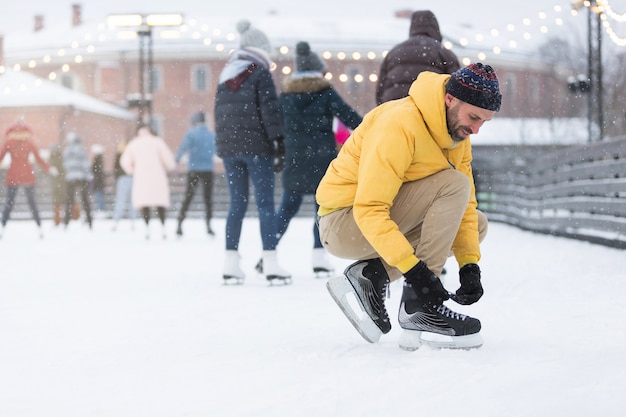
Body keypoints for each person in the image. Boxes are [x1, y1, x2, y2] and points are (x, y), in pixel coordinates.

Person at [317, 63, 502, 350]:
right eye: (474, 117)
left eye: (484, 122)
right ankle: (420, 307)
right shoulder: (399, 124)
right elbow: (370, 209)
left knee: (475, 223)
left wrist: (469, 266)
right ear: (450, 99)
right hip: (343, 222)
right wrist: (417, 276)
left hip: (376, 219)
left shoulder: (457, 134)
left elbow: (464, 207)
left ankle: (372, 275)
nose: (476, 129)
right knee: (453, 184)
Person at [214, 19, 290, 284]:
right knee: (265, 205)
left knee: (237, 204)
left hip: (230, 151)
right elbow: (270, 112)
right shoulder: (260, 73)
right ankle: (270, 262)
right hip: (258, 149)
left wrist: (223, 147)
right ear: (260, 48)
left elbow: (220, 116)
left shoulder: (225, 76)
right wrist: (279, 143)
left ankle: (230, 263)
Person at [277, 41, 362, 276]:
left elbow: (276, 125)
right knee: (322, 209)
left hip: (294, 158)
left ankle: (269, 251)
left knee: (287, 208)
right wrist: (370, 129)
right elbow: (350, 116)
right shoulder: (325, 92)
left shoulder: (285, 96)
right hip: (321, 159)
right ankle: (319, 256)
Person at [375, 10, 460, 106]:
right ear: (436, 28)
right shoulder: (445, 53)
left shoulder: (394, 52)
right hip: (428, 110)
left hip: (393, 110)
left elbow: (380, 90)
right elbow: (456, 91)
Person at [120, 124, 176, 239]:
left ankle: (147, 229)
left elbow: (124, 161)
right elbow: (169, 160)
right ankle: (163, 228)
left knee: (144, 204)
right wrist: (169, 167)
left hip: (141, 177)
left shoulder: (134, 144)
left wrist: (132, 170)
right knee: (160, 203)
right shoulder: (157, 142)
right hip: (158, 176)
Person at [0, 121, 51, 238]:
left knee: (9, 203)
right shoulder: (29, 143)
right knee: (32, 203)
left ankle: (2, 227)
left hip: (13, 175)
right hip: (27, 175)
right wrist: (48, 168)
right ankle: (39, 227)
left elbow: (0, 156)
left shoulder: (9, 142)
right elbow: (38, 158)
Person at [174, 111, 217, 237]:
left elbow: (183, 148)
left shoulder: (191, 134)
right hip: (208, 169)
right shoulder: (211, 135)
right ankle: (209, 226)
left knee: (188, 197)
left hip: (193, 169)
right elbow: (216, 149)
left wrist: (176, 161)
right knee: (208, 199)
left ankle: (179, 225)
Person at [62, 132, 93, 229]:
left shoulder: (66, 151)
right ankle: (89, 221)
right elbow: (85, 164)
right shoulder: (81, 150)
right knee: (85, 200)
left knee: (69, 200)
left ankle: (66, 222)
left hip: (70, 178)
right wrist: (89, 177)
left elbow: (64, 165)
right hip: (81, 177)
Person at [111, 139, 138, 230]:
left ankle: (117, 221)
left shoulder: (120, 155)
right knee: (132, 201)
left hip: (123, 179)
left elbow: (115, 169)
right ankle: (132, 222)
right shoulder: (131, 155)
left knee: (121, 201)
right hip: (130, 178)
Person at [90, 144, 107, 215]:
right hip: (98, 181)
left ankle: (101, 210)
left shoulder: (97, 160)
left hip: (97, 181)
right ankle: (101, 209)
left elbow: (96, 171)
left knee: (99, 196)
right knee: (99, 196)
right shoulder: (99, 159)